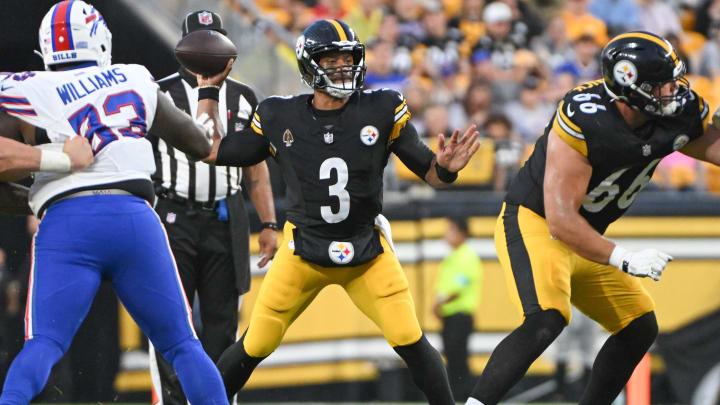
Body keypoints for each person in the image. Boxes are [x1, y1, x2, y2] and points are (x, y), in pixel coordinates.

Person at [205, 19, 480, 404]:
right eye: (331, 59)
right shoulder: (279, 116)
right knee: (258, 342)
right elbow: (216, 150)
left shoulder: (382, 107)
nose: (342, 67)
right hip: (304, 251)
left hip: (366, 250)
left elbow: (432, 172)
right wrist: (208, 90)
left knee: (409, 338)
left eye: (347, 58)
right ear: (309, 66)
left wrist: (447, 167)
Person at [466, 31, 720, 405]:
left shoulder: (674, 114)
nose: (674, 92)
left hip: (585, 233)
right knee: (546, 318)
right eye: (663, 84)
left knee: (638, 327)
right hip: (537, 222)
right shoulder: (586, 116)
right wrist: (624, 257)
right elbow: (560, 220)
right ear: (633, 88)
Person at [0, 1, 233, 404]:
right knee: (182, 345)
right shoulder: (133, 77)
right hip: (134, 220)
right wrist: (208, 90)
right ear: (101, 39)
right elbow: (201, 144)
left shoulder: (27, 87)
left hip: (66, 225)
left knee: (43, 345)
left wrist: (38, 197)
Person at [146, 11, 277, 405]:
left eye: (214, 40)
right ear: (183, 49)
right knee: (171, 321)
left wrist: (269, 221)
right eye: (199, 41)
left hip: (225, 214)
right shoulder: (157, 92)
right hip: (173, 213)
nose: (207, 49)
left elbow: (256, 167)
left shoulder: (243, 95)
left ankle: (220, 400)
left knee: (223, 327)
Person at [433, 216, 483, 399]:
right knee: (453, 359)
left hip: (460, 317)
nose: (446, 235)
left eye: (451, 230)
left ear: (462, 233)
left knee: (459, 359)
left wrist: (439, 303)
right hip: (451, 317)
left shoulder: (467, 256)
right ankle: (458, 395)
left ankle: (464, 395)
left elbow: (459, 286)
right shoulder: (454, 256)